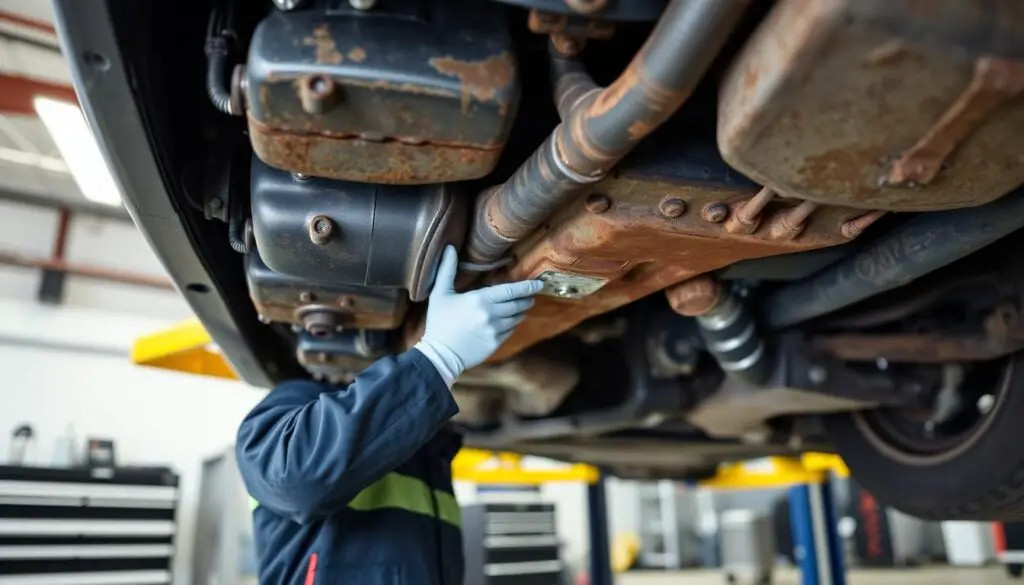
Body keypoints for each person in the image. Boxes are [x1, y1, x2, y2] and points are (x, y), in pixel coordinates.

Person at [235, 244, 543, 585]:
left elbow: (293, 477)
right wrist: (437, 362)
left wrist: (437, 359)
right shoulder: (423, 453)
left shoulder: (293, 409)